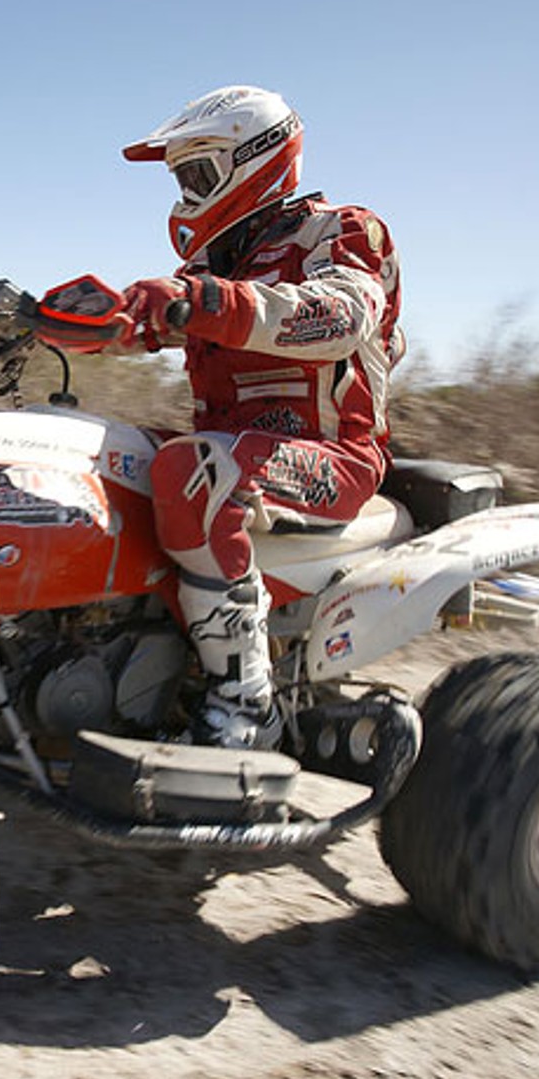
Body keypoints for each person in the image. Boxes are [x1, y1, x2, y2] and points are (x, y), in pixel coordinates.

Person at [117, 85, 405, 749]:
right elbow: (155, 318)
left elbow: (340, 317)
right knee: (104, 453)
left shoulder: (342, 231)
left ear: (258, 160)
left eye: (198, 174)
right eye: (180, 178)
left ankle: (245, 707)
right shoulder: (216, 262)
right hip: (239, 451)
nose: (186, 195)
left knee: (191, 470)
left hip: (335, 459)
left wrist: (199, 300)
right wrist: (46, 323)